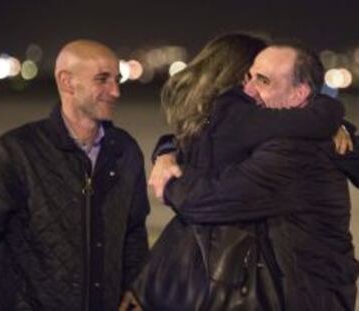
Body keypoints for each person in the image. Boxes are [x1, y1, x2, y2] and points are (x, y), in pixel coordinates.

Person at [134, 35, 358, 310]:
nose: (248, 91)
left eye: (262, 80)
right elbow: (198, 145)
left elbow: (205, 200)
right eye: (246, 79)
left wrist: (168, 182)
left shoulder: (295, 150)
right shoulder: (256, 133)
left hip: (300, 296)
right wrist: (166, 151)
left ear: (299, 95)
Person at [0, 39, 150, 311]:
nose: (115, 91)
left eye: (118, 79)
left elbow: (134, 233)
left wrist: (135, 288)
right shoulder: (15, 152)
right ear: (67, 82)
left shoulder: (125, 151)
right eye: (103, 79)